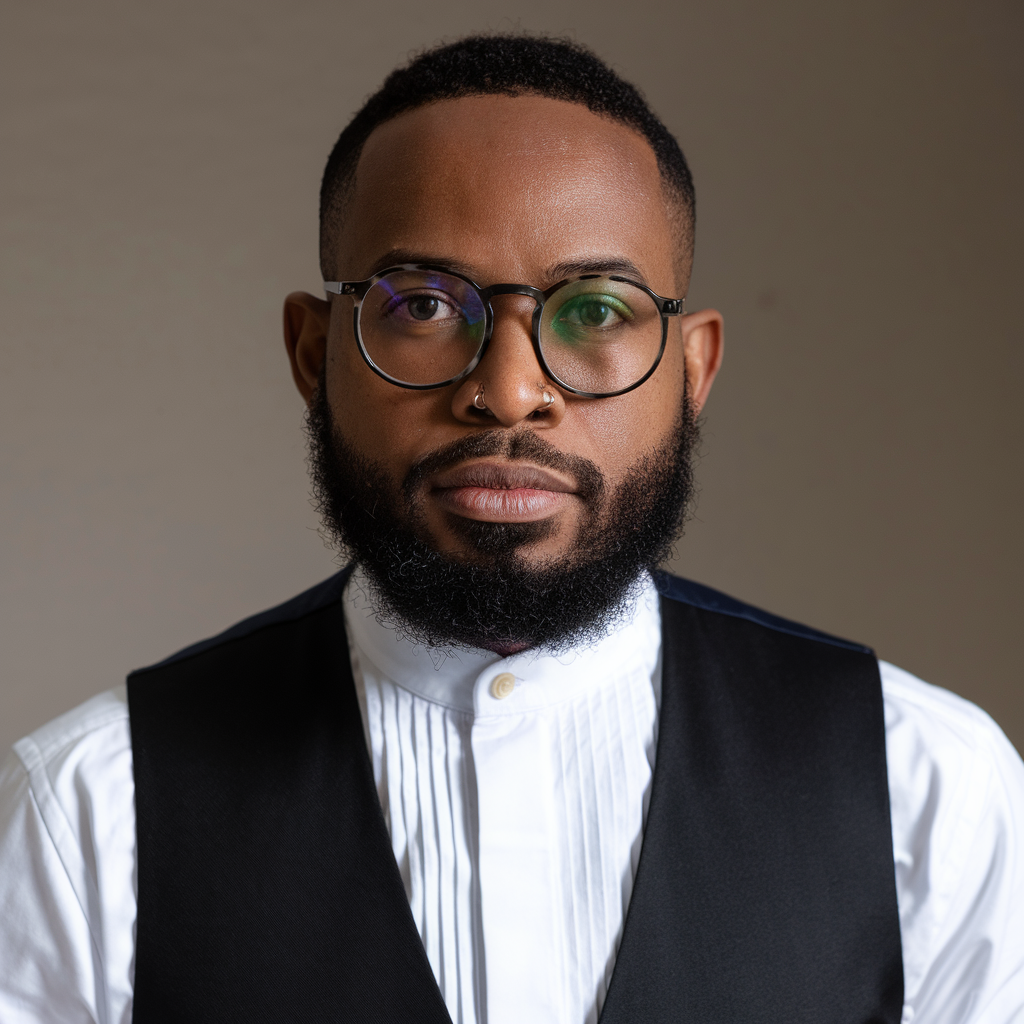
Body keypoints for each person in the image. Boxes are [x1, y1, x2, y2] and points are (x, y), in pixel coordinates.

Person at [1, 33, 1021, 1024]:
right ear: (314, 354)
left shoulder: (930, 790)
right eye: (423, 305)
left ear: (692, 370)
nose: (508, 390)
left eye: (596, 310)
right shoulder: (88, 814)